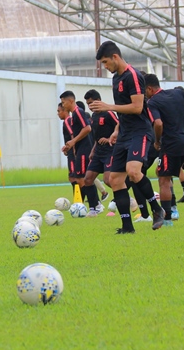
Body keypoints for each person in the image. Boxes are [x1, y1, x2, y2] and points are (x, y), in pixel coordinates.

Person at [89, 41, 164, 233]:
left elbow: (137, 107)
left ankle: (157, 209)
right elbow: (124, 112)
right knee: (115, 179)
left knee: (133, 171)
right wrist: (116, 131)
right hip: (124, 133)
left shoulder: (133, 76)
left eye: (106, 62)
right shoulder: (116, 78)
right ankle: (127, 227)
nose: (105, 67)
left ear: (115, 57)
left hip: (140, 131)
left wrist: (109, 107)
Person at [143, 74, 184, 226]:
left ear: (150, 89)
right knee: (165, 173)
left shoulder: (152, 102)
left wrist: (157, 141)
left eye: (144, 91)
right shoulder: (177, 93)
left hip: (171, 143)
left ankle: (168, 218)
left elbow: (158, 124)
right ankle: (176, 205)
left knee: (163, 179)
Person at [60, 90, 101, 216]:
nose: (62, 105)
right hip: (79, 149)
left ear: (70, 101)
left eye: (63, 103)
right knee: (81, 178)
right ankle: (94, 206)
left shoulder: (79, 112)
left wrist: (74, 141)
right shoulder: (74, 115)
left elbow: (87, 128)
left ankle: (96, 206)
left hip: (85, 149)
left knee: (83, 178)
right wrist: (70, 145)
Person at [83, 90, 113, 203]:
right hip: (98, 152)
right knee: (88, 179)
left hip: (110, 151)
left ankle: (125, 198)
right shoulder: (94, 116)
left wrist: (110, 139)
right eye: (88, 104)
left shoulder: (108, 113)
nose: (90, 106)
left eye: (91, 103)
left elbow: (120, 129)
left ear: (99, 101)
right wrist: (93, 150)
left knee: (108, 180)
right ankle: (95, 207)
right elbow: (97, 136)